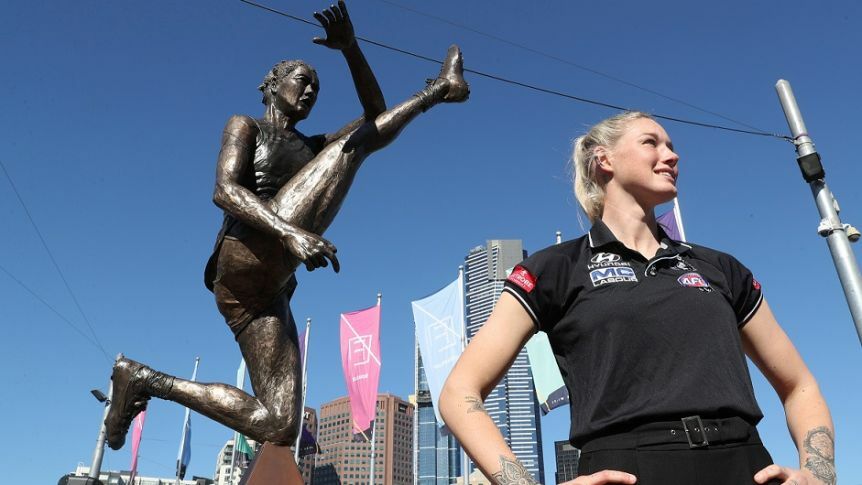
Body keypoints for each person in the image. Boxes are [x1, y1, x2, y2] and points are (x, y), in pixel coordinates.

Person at [104, 0, 468, 450]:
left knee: (278, 424)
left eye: (317, 86)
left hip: (265, 293)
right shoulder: (246, 125)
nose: (312, 90)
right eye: (303, 80)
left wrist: (351, 48)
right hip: (244, 254)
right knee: (350, 148)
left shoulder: (312, 146)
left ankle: (143, 379)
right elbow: (225, 191)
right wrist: (289, 232)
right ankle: (439, 91)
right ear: (273, 85)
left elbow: (376, 114)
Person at [439, 112, 835, 484]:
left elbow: (799, 385)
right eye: (652, 142)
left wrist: (819, 475)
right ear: (603, 160)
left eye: (671, 145)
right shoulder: (554, 268)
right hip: (626, 468)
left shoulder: (720, 267)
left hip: (743, 461)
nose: (672, 154)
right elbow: (460, 393)